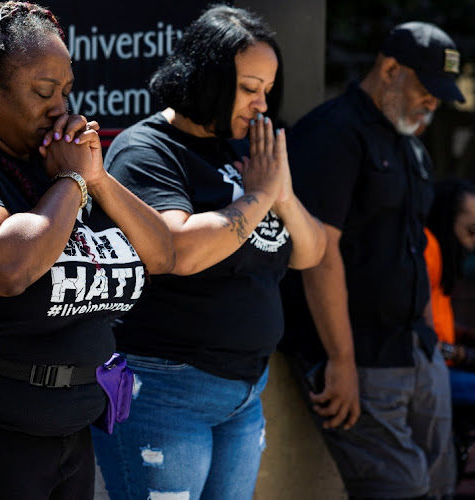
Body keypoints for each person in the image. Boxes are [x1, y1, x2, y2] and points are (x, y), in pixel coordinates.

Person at [0, 2, 175, 498]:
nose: (60, 107)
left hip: (71, 438)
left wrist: (96, 178)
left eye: (65, 91)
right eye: (43, 92)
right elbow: (9, 264)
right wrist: (69, 180)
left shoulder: (66, 170)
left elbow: (163, 254)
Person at [90, 5, 327, 499]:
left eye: (267, 90)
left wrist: (279, 194)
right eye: (248, 88)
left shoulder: (244, 149)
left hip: (244, 395)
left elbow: (310, 251)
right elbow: (177, 250)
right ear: (207, 78)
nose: (261, 105)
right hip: (164, 390)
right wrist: (259, 196)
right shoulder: (148, 150)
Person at [279, 21, 464, 498]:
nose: (433, 103)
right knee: (399, 489)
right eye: (426, 88)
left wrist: (428, 341)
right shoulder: (333, 132)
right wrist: (340, 360)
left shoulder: (412, 147)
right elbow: (318, 253)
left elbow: (415, 248)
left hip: (417, 352)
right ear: (389, 69)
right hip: (359, 356)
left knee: (439, 485)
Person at [425, 178, 475, 406]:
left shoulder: (444, 260)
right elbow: (421, 337)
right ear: (446, 220)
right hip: (428, 374)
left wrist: (462, 336)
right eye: (471, 231)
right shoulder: (428, 249)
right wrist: (461, 353)